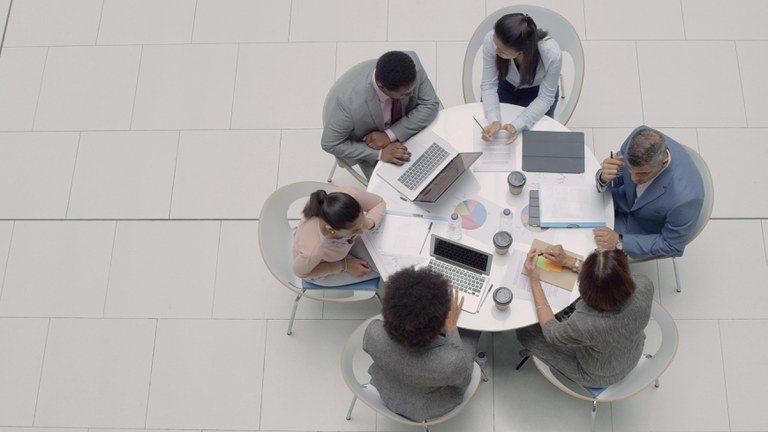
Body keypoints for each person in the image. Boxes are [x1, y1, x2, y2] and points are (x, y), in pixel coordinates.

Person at [516, 247, 654, 387]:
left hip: (598, 375)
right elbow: (611, 279)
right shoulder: (644, 285)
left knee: (526, 333)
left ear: (588, 291)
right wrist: (569, 261)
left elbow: (551, 332)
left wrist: (534, 281)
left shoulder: (585, 324)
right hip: (632, 352)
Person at [363, 267, 480, 421]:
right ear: (441, 325)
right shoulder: (451, 362)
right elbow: (464, 379)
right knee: (472, 332)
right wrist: (452, 328)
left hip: (387, 391)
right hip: (426, 409)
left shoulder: (373, 332)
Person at [321, 51, 440, 179]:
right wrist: (379, 154)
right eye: (405, 94)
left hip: (409, 127)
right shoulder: (348, 104)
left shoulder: (413, 64)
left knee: (441, 166)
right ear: (381, 86)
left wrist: (390, 135)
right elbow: (330, 143)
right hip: (374, 149)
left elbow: (430, 104)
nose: (411, 94)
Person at [594, 126, 705, 260]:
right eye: (630, 169)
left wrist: (620, 241)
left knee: (590, 256)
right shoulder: (638, 136)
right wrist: (603, 178)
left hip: (638, 233)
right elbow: (618, 173)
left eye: (643, 173)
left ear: (663, 162)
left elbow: (671, 246)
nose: (634, 178)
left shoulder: (686, 199)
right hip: (619, 200)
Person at [479, 13, 562, 144]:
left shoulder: (552, 53)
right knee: (490, 124)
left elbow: (545, 98)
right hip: (505, 84)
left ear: (522, 50)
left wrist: (516, 125)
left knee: (536, 140)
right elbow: (488, 85)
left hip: (538, 91)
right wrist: (494, 120)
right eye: (496, 45)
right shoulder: (491, 39)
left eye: (502, 51)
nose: (496, 51)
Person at [292, 187, 385, 285]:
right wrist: (345, 265)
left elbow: (380, 202)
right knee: (379, 271)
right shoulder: (313, 252)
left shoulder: (349, 195)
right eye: (355, 230)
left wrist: (370, 222)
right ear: (331, 229)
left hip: (341, 245)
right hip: (317, 267)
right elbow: (300, 273)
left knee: (381, 263)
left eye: (362, 218)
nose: (362, 231)